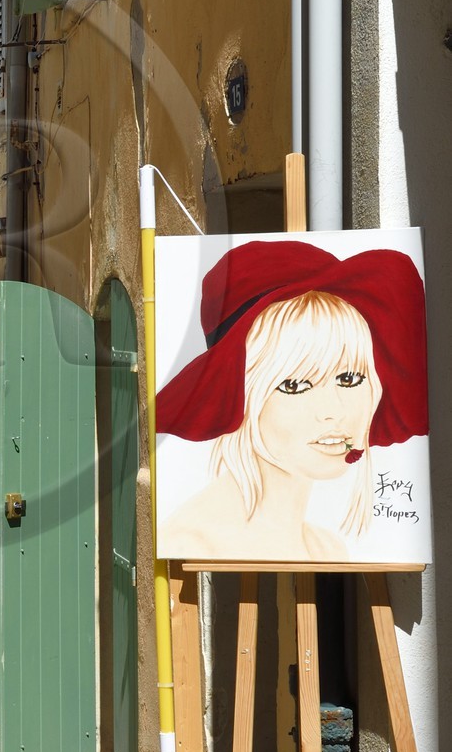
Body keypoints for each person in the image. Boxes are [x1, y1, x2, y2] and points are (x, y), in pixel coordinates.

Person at [156, 241, 428, 564]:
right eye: (295, 384)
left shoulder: (327, 548)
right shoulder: (190, 540)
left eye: (350, 378)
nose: (333, 411)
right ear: (241, 393)